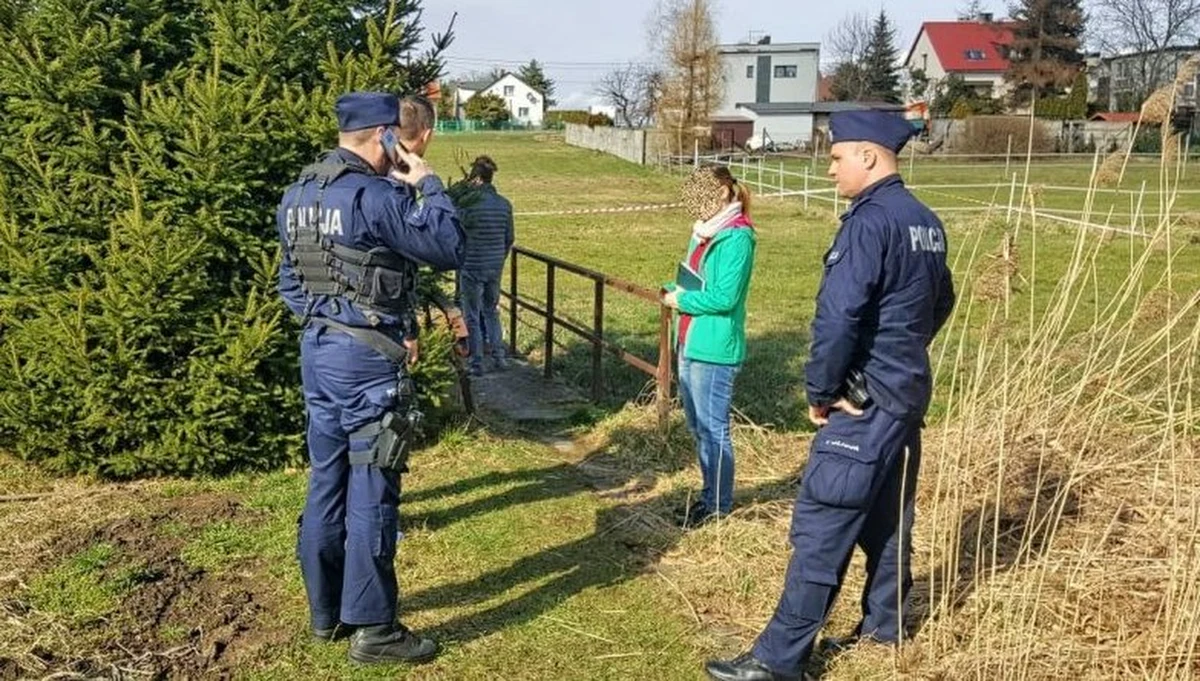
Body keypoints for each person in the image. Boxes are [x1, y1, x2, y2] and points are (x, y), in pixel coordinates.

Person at [704, 110, 956, 681]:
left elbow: (838, 317)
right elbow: (942, 302)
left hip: (862, 405)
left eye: (838, 156)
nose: (830, 166)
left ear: (869, 156)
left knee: (823, 525)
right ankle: (884, 634)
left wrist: (824, 390)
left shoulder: (868, 223)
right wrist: (902, 357)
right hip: (905, 399)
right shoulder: (925, 220)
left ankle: (777, 661)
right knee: (890, 523)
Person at [275, 92, 464, 665]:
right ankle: (375, 629)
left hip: (320, 354)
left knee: (325, 481)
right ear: (384, 135)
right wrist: (428, 181)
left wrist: (337, 322)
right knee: (372, 488)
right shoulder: (374, 195)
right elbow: (448, 246)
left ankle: (324, 614)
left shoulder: (299, 193)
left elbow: (290, 282)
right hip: (365, 368)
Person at [662, 164, 757, 528]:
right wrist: (674, 289)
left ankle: (718, 505)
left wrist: (680, 302)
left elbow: (724, 297)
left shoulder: (737, 238)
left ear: (721, 192)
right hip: (689, 339)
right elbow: (694, 278)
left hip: (714, 347)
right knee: (698, 426)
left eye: (699, 193)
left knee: (714, 429)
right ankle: (708, 497)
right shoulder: (703, 232)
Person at [457, 154, 514, 375]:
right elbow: (509, 238)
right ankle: (500, 357)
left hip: (471, 265)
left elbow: (457, 231)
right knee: (492, 311)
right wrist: (500, 257)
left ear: (477, 179)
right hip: (494, 265)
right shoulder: (504, 204)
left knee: (471, 314)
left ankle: (477, 362)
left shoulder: (468, 205)